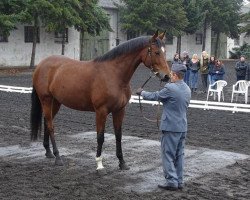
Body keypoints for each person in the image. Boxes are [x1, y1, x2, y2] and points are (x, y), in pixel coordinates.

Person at [136, 63, 191, 191]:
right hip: (182, 126)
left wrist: (141, 92)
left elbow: (155, 96)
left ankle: (171, 181)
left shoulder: (170, 88)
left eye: (171, 74)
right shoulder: (187, 88)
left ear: (176, 75)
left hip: (170, 127)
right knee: (179, 155)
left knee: (168, 155)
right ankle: (179, 180)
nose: (170, 75)